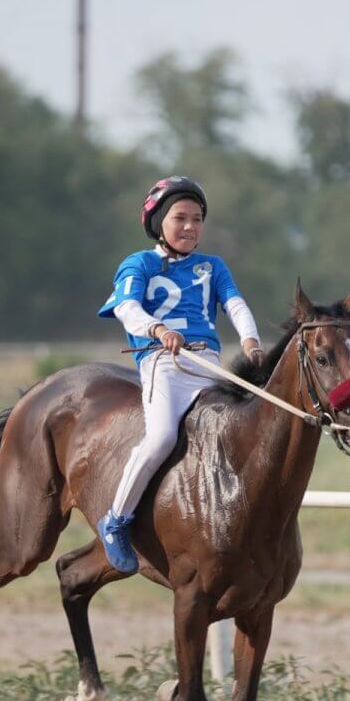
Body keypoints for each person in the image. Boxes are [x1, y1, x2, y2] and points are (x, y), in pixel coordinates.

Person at [96, 176, 265, 573]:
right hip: (163, 363)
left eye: (198, 219)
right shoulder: (137, 263)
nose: (190, 227)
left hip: (208, 364)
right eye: (180, 218)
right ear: (158, 222)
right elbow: (127, 309)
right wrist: (157, 329)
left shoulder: (214, 266)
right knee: (162, 436)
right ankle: (116, 519)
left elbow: (235, 304)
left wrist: (251, 341)